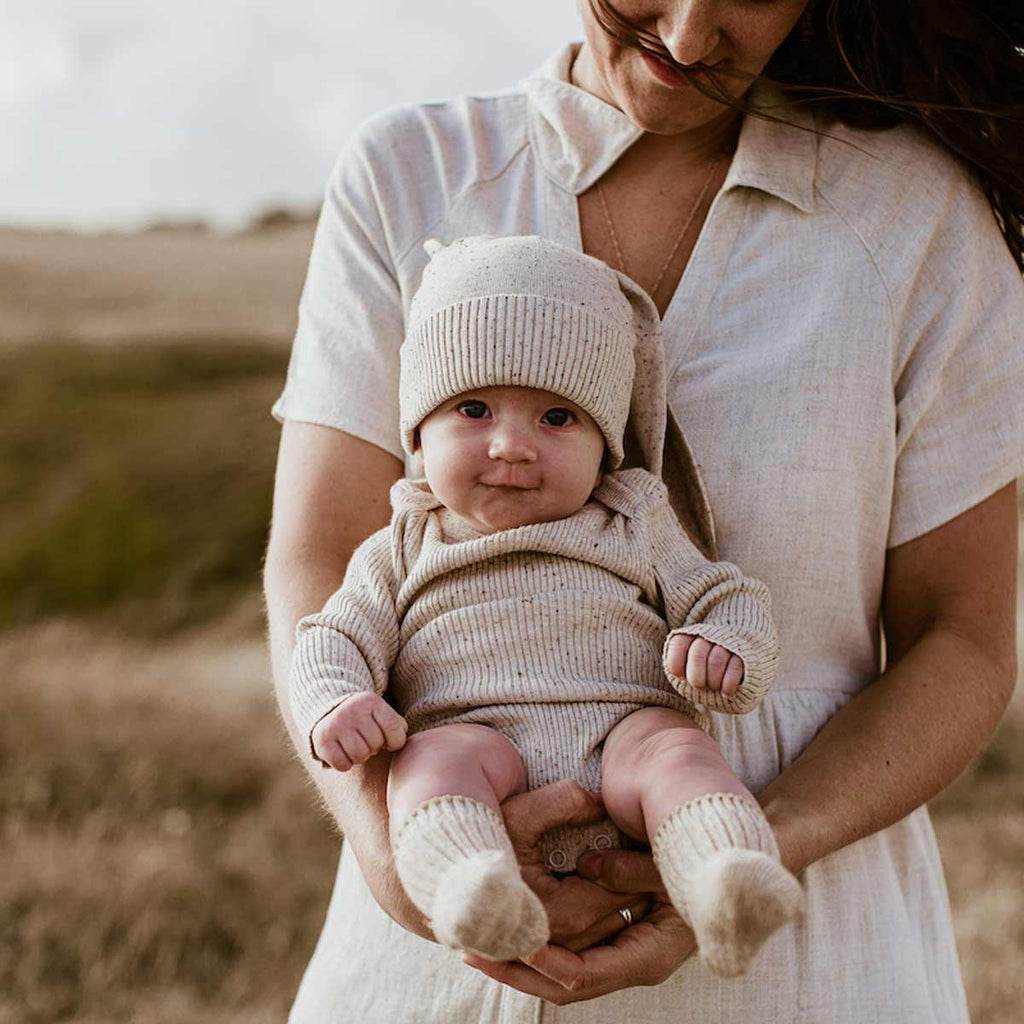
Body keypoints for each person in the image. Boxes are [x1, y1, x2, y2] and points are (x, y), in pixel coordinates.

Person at [264, 1, 1024, 1019]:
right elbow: (318, 557)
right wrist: (396, 851)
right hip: (430, 963)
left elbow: (963, 636)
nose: (689, 34)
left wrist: (759, 837)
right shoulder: (411, 172)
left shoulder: (913, 217)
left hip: (800, 962)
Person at [288, 234, 803, 974]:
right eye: (473, 408)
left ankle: (725, 877)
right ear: (417, 433)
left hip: (625, 726)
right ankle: (473, 889)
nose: (511, 446)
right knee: (426, 767)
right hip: (474, 734)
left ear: (605, 442)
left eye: (558, 419)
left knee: (680, 754)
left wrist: (726, 645)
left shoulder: (633, 517)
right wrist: (334, 702)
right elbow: (331, 636)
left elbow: (722, 592)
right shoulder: (402, 543)